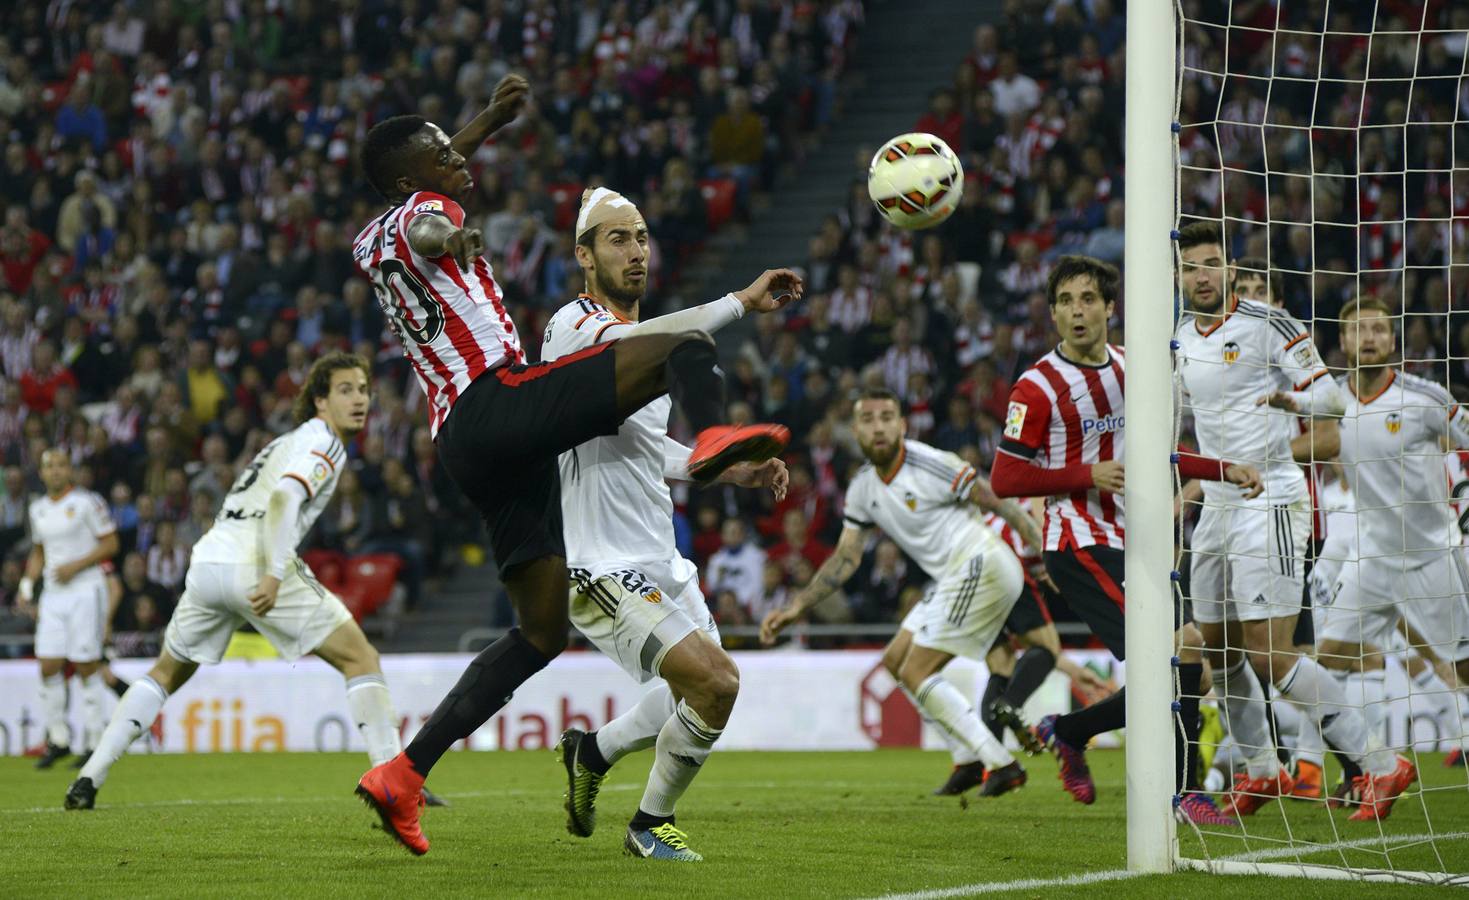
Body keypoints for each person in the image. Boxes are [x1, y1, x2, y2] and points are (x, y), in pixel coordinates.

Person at [350, 75, 792, 855]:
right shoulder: (429, 216)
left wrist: (483, 118)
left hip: (467, 444)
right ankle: (717, 431)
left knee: (538, 633)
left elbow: (421, 183)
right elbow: (430, 223)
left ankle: (404, 774)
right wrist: (452, 239)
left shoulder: (372, 234)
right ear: (413, 183)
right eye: (445, 156)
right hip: (495, 400)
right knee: (682, 344)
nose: (463, 163)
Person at [540, 185, 792, 861]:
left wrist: (727, 471)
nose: (635, 251)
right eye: (617, 238)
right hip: (596, 561)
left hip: (658, 558)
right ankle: (649, 825)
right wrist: (740, 301)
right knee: (716, 683)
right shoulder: (574, 328)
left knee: (702, 693)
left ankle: (591, 753)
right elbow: (667, 340)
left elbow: (653, 451)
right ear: (583, 257)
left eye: (642, 237)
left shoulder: (643, 356)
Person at [64, 354, 438, 810]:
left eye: (363, 389)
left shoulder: (285, 442)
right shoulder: (326, 444)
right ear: (320, 400)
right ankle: (393, 781)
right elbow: (283, 498)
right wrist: (274, 574)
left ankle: (88, 778)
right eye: (345, 389)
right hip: (254, 560)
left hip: (209, 560)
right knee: (361, 658)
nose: (359, 399)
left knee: (165, 673)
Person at [989, 254, 1257, 824]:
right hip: (1076, 544)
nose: (1077, 311)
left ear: (1111, 308)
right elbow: (1005, 477)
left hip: (1133, 535)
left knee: (1194, 668)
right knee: (1178, 649)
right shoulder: (1035, 388)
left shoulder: (1133, 369)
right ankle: (1186, 793)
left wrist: (1220, 468)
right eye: (1065, 302)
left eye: (1088, 299)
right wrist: (1085, 474)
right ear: (1054, 314)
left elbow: (1156, 453)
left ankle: (1069, 730)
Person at [1173, 223, 1415, 820]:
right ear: (1178, 275)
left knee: (1271, 654)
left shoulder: (1269, 324)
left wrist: (1292, 402)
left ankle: (1383, 764)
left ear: (1230, 269)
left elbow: (1333, 401)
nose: (1201, 276)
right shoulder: (1180, 337)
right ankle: (1262, 770)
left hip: (1272, 500)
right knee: (1218, 646)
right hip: (1218, 503)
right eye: (1189, 267)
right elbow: (1180, 418)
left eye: (1211, 264)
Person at [761, 388, 1035, 797]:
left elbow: (1002, 506)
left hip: (982, 563)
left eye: (887, 417)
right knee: (896, 660)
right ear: (854, 431)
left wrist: (1044, 557)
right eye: (868, 419)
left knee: (916, 671)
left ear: (903, 425)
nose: (879, 427)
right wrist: (795, 605)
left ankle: (1001, 763)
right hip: (952, 576)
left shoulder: (933, 463)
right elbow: (845, 560)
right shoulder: (862, 488)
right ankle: (967, 757)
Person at [1304, 297, 1468, 816]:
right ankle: (1378, 763)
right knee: (1323, 658)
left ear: (1393, 341)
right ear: (1344, 343)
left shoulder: (1424, 396)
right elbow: (1312, 442)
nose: (1369, 337)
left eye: (1379, 328)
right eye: (1358, 330)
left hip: (1430, 557)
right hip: (1373, 560)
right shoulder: (1332, 403)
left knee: (1461, 669)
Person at [17, 449, 121, 769]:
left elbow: (111, 543)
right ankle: (58, 739)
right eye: (49, 466)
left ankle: (93, 740)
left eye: (62, 464)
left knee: (86, 662)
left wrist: (76, 565)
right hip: (53, 592)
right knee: (48, 664)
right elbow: (39, 552)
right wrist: (26, 583)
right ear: (42, 472)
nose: (56, 471)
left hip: (85, 588)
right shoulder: (38, 509)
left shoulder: (88, 503)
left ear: (70, 470)